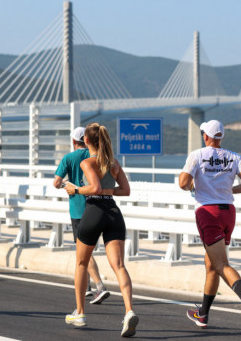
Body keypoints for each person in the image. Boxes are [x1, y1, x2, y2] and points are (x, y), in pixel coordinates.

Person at [179, 119, 241, 331]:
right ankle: (203, 314)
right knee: (211, 265)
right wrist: (230, 190)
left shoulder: (196, 155)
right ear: (220, 137)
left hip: (208, 213)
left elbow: (183, 183)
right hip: (228, 212)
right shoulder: (235, 157)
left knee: (220, 264)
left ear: (205, 136)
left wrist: (192, 186)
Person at [64, 122, 139, 337]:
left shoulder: (88, 162)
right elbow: (125, 190)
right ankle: (129, 311)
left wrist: (75, 188)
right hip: (113, 212)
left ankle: (79, 312)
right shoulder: (112, 162)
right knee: (119, 266)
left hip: (94, 209)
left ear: (86, 141)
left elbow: (94, 188)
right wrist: (107, 190)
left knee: (81, 262)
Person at [53, 126, 110, 304]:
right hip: (99, 207)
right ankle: (87, 287)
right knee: (87, 250)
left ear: (73, 141)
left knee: (83, 251)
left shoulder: (69, 158)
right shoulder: (97, 156)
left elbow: (56, 183)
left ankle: (99, 286)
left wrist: (67, 186)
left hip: (78, 210)